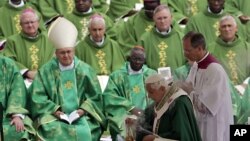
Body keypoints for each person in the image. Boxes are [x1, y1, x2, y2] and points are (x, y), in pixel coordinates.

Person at [29, 17, 106, 141]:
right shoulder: (46, 71)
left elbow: (95, 97)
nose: (66, 56)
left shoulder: (85, 70)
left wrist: (82, 110)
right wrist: (55, 110)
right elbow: (38, 97)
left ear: (74, 50)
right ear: (56, 53)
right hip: (54, 116)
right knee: (51, 129)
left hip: (82, 116)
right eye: (62, 52)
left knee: (86, 130)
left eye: (69, 52)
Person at [181, 31, 234, 141]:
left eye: (188, 50)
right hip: (201, 123)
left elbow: (205, 107)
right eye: (184, 50)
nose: (185, 53)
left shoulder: (215, 70)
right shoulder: (196, 65)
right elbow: (187, 87)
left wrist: (189, 91)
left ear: (199, 48)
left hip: (214, 126)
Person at [103, 46, 157, 140]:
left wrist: (148, 113)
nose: (137, 62)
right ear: (129, 58)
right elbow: (109, 96)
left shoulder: (152, 75)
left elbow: (159, 95)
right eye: (134, 59)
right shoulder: (117, 76)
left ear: (144, 60)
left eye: (140, 59)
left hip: (148, 115)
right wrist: (131, 107)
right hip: (124, 114)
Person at [136, 74, 202, 141]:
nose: (149, 96)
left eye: (151, 92)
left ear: (162, 88)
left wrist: (155, 139)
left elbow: (182, 135)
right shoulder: (161, 99)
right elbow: (147, 119)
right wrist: (135, 123)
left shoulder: (179, 103)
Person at [3, 8, 54, 83]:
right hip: (21, 82)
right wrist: (27, 72)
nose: (30, 25)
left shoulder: (49, 39)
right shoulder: (12, 41)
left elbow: (55, 59)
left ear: (38, 23)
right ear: (20, 25)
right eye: (26, 23)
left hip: (46, 79)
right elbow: (8, 61)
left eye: (32, 22)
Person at [139, 4, 185, 71]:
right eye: (159, 18)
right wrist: (151, 74)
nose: (162, 21)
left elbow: (189, 62)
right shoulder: (144, 39)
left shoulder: (181, 38)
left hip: (178, 79)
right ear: (154, 19)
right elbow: (138, 63)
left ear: (171, 18)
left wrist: (179, 74)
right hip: (153, 80)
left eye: (165, 17)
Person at [0, 55, 35, 140]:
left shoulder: (8, 64)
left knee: (16, 130)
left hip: (5, 114)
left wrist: (16, 115)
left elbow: (17, 89)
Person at [208, 15, 250, 85]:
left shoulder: (247, 47)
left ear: (236, 28)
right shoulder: (210, 49)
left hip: (246, 91)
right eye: (223, 26)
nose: (227, 29)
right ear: (219, 30)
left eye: (229, 26)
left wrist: (245, 85)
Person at [36, 0, 109, 22]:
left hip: (89, 20)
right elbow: (44, 5)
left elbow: (100, 5)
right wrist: (57, 18)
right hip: (60, 22)